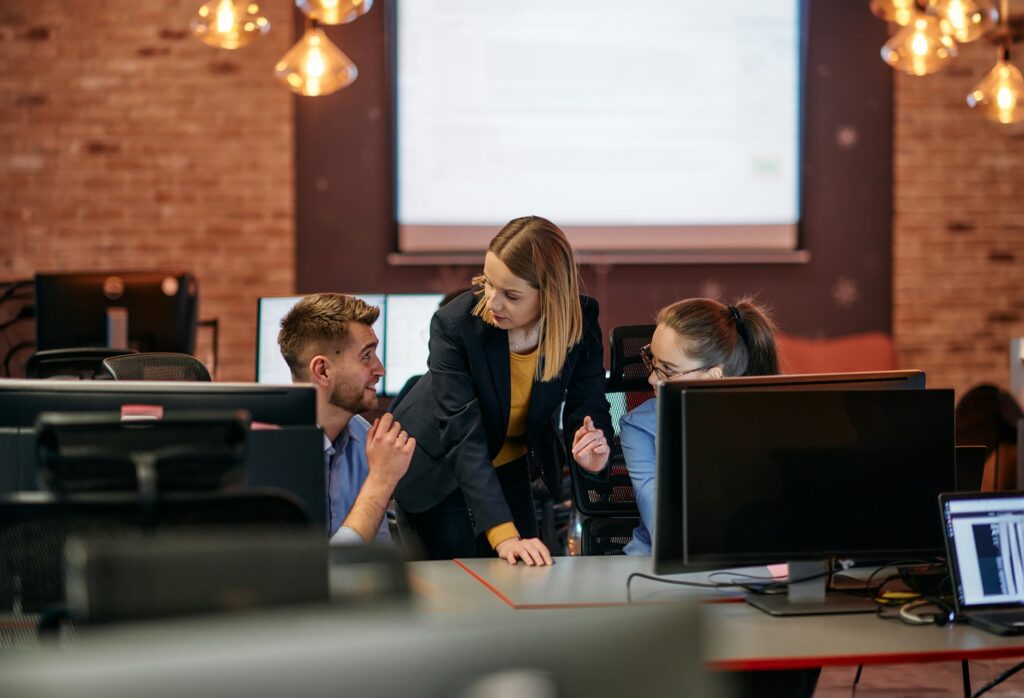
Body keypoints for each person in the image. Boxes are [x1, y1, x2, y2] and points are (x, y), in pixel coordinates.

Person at [392, 216, 613, 566]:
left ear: (551, 296)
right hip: (439, 467)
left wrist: (593, 444)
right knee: (457, 589)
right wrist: (504, 535)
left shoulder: (580, 321)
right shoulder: (456, 325)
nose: (492, 303)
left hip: (508, 464)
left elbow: (588, 402)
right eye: (488, 284)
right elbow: (462, 435)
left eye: (511, 295)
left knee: (526, 574)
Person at [621, 296, 779, 556]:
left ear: (713, 376)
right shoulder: (639, 427)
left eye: (668, 370)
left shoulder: (767, 422)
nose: (651, 378)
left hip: (748, 566)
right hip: (651, 571)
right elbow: (667, 531)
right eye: (652, 361)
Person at [277, 293, 416, 544]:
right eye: (366, 356)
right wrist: (381, 481)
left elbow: (375, 554)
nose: (380, 370)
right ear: (322, 370)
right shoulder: (274, 454)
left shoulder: (366, 441)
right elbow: (320, 572)